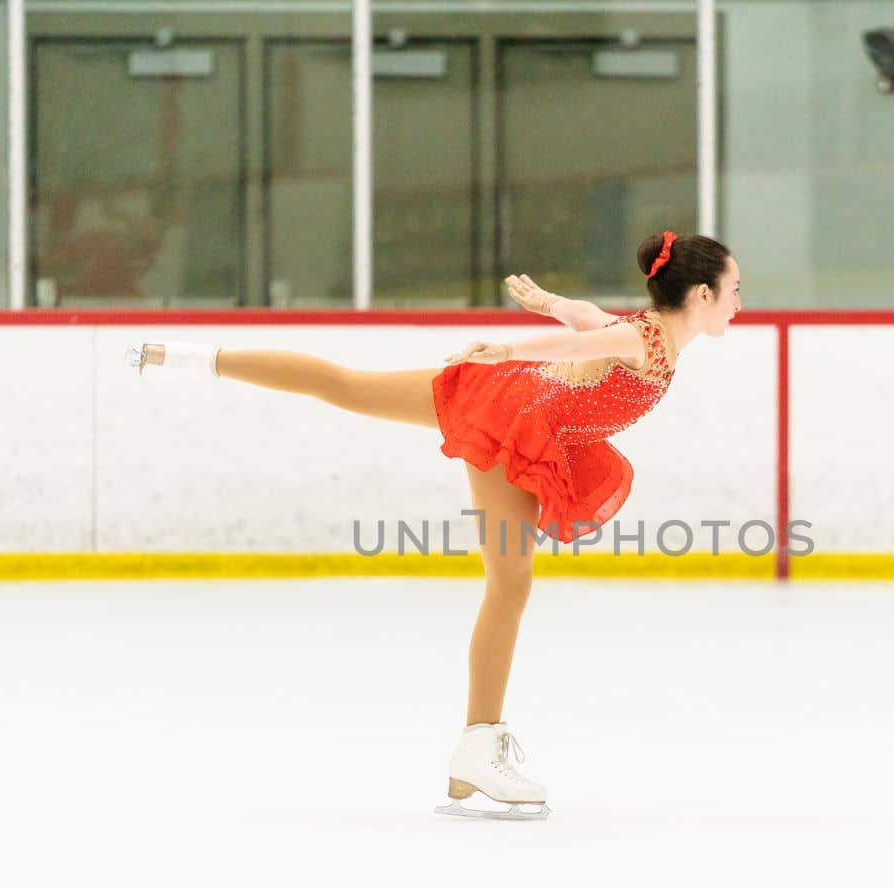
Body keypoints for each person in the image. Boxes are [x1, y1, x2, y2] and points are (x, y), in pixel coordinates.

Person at [127, 231, 742, 819]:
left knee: (346, 387)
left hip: (507, 399)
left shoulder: (643, 334)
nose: (740, 303)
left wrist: (549, 303)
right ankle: (479, 743)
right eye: (735, 289)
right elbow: (579, 346)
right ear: (703, 294)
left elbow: (586, 321)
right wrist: (514, 347)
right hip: (509, 417)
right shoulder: (647, 343)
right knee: (510, 582)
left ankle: (176, 355)